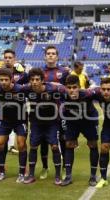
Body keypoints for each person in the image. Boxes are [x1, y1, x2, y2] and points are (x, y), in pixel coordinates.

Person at [23, 67, 62, 185]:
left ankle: (57, 176)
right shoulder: (27, 90)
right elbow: (14, 88)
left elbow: (67, 91)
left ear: (42, 80)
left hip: (52, 123)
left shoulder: (53, 89)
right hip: (36, 123)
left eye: (37, 79)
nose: (34, 82)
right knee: (33, 147)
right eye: (32, 79)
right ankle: (31, 175)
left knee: (54, 147)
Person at [59, 75, 99, 187]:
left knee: (93, 145)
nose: (72, 90)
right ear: (65, 88)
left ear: (79, 87)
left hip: (89, 120)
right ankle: (68, 176)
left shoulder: (88, 94)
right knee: (69, 144)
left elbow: (101, 92)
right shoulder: (61, 93)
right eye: (69, 87)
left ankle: (92, 176)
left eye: (74, 87)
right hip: (72, 120)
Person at [39, 45, 70, 180]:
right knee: (44, 141)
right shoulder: (39, 72)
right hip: (43, 111)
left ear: (57, 56)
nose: (51, 55)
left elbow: (70, 89)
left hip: (61, 111)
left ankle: (64, 167)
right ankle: (45, 167)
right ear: (45, 56)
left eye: (53, 54)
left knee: (63, 139)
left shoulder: (64, 72)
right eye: (48, 53)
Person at [0, 68, 28, 183]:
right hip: (4, 120)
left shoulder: (20, 89)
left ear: (11, 80)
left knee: (21, 144)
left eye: (6, 80)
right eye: (1, 80)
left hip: (20, 120)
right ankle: (1, 171)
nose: (3, 82)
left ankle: (22, 172)